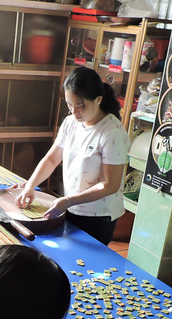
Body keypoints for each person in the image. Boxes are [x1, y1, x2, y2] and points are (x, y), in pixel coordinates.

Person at [15, 66, 129, 245]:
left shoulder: (112, 132)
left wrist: (68, 201)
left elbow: (110, 185)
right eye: (69, 105)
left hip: (98, 215)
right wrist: (30, 185)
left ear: (98, 99)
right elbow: (52, 159)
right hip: (70, 207)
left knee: (88, 265)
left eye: (80, 106)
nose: (74, 112)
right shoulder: (70, 123)